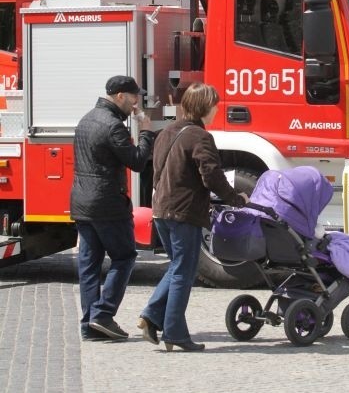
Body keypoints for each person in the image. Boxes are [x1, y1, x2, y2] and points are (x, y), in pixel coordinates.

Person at [138, 82, 248, 352]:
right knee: (183, 272)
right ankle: (173, 331)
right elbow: (211, 175)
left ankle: (153, 316)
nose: (216, 111)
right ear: (204, 108)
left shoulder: (166, 132)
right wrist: (236, 199)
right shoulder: (199, 136)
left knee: (178, 266)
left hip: (162, 209)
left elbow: (156, 171)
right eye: (214, 106)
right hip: (183, 211)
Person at [71, 75, 154, 341]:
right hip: (107, 203)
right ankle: (103, 315)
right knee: (124, 257)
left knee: (89, 264)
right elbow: (138, 162)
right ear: (120, 96)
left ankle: (89, 325)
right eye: (133, 98)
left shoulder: (86, 119)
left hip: (82, 203)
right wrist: (146, 131)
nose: (135, 104)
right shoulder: (112, 126)